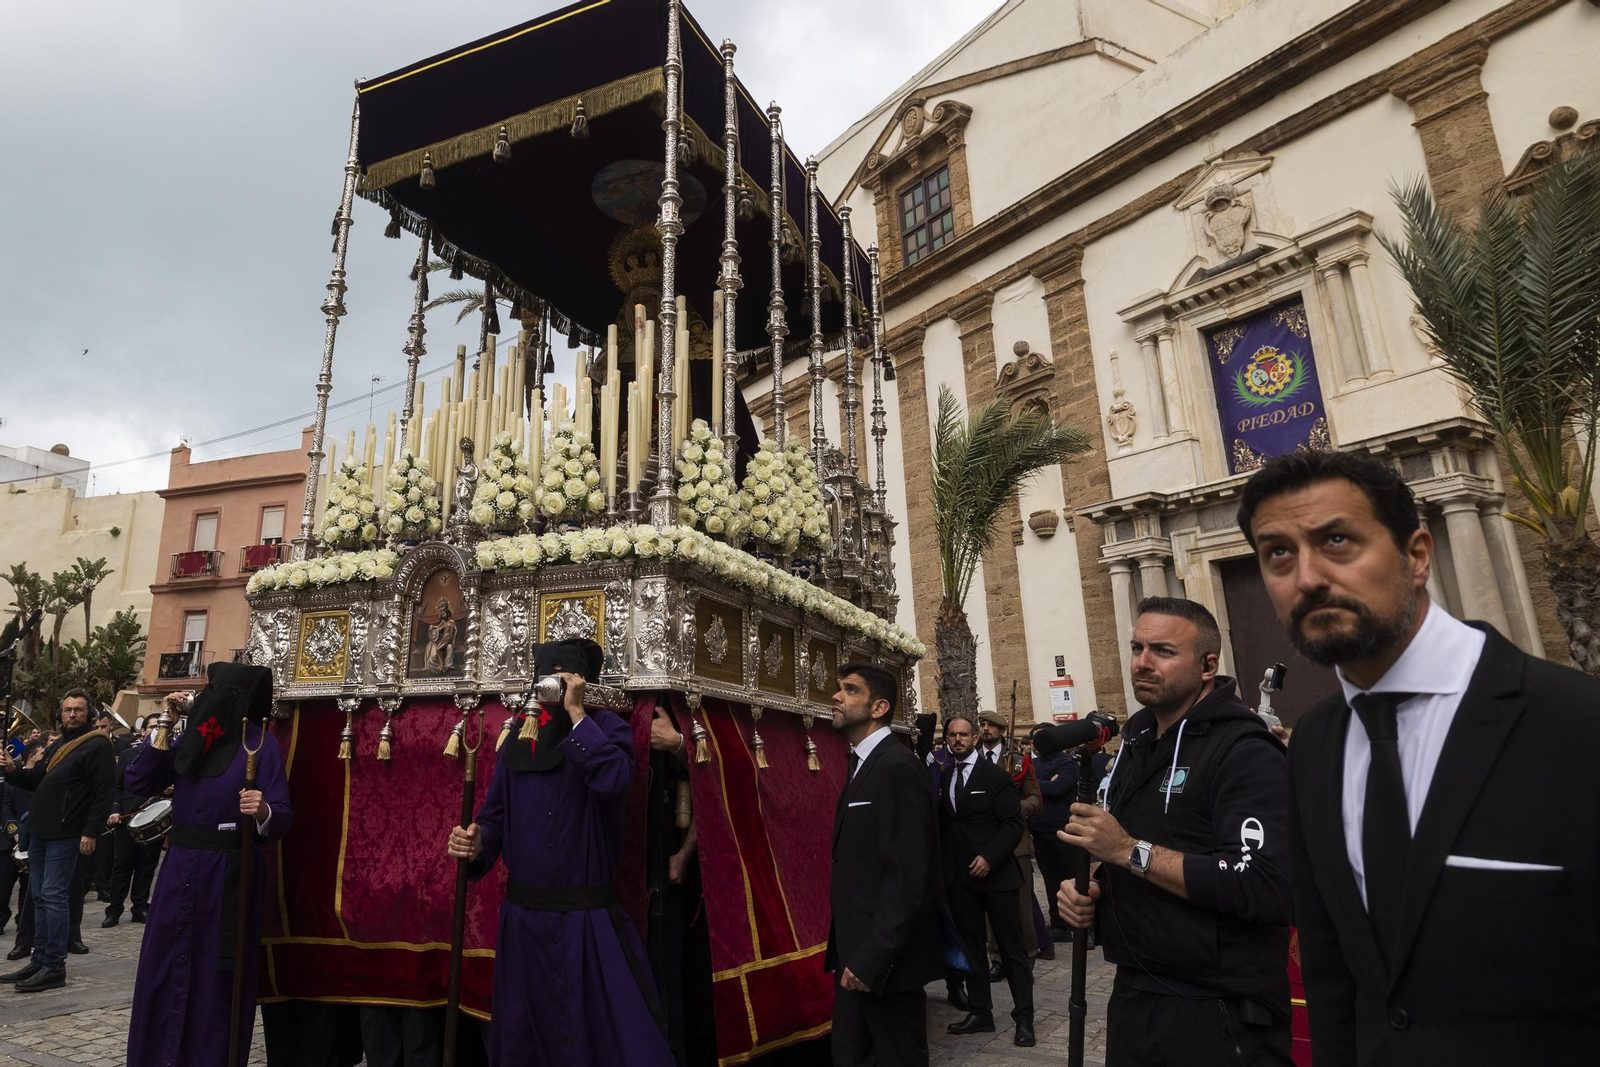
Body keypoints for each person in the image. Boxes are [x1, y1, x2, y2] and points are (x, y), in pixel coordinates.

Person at [1238, 449, 1600, 1063]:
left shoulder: (1576, 724)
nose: (1307, 578)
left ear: (1417, 556)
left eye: (1337, 540)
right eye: (1278, 553)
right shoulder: (1315, 745)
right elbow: (1332, 975)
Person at [1057, 597, 1293, 1065]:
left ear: (1209, 665)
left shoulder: (1246, 751)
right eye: (1137, 647)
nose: (1142, 663)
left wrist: (1126, 852)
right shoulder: (1138, 743)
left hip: (1220, 1013)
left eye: (1163, 651)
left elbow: (1262, 884)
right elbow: (1155, 844)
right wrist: (1092, 892)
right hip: (1136, 995)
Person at [446, 638, 673, 1067]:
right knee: (527, 1045)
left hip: (587, 924)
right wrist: (477, 842)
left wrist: (576, 712)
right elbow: (494, 818)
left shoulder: (607, 729)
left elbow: (614, 781)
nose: (550, 686)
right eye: (544, 677)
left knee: (608, 1043)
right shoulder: (519, 733)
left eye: (563, 677)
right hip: (525, 925)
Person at [124, 662, 293, 1067]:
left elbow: (283, 814)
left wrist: (263, 810)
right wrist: (166, 722)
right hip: (179, 870)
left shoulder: (260, 744)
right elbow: (137, 781)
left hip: (230, 874)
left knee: (216, 977)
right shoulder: (193, 737)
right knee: (165, 966)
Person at [825, 662, 943, 1067]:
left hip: (883, 965)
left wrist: (872, 958)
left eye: (850, 690)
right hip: (856, 957)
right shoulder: (861, 763)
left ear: (878, 708)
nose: (836, 697)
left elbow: (909, 875)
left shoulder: (897, 767)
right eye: (839, 688)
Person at [0, 689, 115, 992]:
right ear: (60, 714)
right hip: (41, 830)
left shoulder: (96, 745)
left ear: (89, 714)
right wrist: (12, 770)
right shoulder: (60, 743)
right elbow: (37, 777)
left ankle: (54, 965)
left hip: (66, 833)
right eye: (67, 710)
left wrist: (90, 831)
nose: (72, 714)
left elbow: (104, 793)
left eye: (78, 710)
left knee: (53, 897)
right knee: (39, 897)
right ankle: (39, 959)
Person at [938, 715, 1034, 1047]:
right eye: (952, 734)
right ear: (947, 739)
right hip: (961, 881)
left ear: (976, 738)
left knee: (1011, 949)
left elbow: (1012, 824)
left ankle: (1025, 1019)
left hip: (996, 877)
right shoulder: (946, 776)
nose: (958, 739)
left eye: (964, 734)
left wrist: (990, 857)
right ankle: (981, 1012)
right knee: (972, 949)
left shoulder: (995, 777)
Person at [1029, 723, 1107, 941]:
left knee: (1071, 876)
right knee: (1050, 879)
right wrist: (1042, 782)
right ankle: (1058, 923)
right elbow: (1026, 788)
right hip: (1040, 828)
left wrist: (1036, 783)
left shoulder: (1066, 762)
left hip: (1063, 829)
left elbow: (1058, 788)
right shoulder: (1033, 763)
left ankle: (1084, 927)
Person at [105, 716, 160, 926]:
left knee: (147, 866)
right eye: (153, 727)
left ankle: (140, 907)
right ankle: (114, 909)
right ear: (143, 731)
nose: (156, 730)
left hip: (153, 818)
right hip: (127, 818)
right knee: (122, 867)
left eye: (160, 727)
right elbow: (116, 787)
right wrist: (115, 810)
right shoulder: (128, 755)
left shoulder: (166, 755)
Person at [1, 739, 46, 958]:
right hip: (9, 842)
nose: (44, 759)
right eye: (41, 755)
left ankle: (24, 930)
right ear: (31, 756)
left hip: (35, 840)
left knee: (29, 892)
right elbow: (5, 809)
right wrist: (16, 831)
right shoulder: (12, 780)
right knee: (3, 887)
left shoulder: (44, 780)